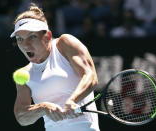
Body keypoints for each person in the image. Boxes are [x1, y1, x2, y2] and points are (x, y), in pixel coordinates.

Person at [10, 3, 100, 131]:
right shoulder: (24, 74)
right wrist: (43, 108)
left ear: (47, 36)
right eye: (20, 39)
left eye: (32, 37)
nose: (25, 45)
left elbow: (90, 76)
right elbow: (21, 117)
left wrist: (73, 100)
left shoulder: (64, 44)